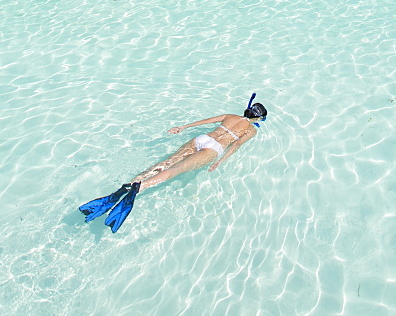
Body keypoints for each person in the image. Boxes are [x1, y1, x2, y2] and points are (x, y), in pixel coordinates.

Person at [79, 94, 268, 233]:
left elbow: (205, 121)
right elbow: (235, 146)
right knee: (175, 170)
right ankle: (139, 188)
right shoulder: (251, 131)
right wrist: (219, 162)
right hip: (214, 149)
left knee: (165, 163)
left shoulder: (230, 116)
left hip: (202, 138)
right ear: (258, 118)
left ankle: (128, 186)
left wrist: (182, 127)